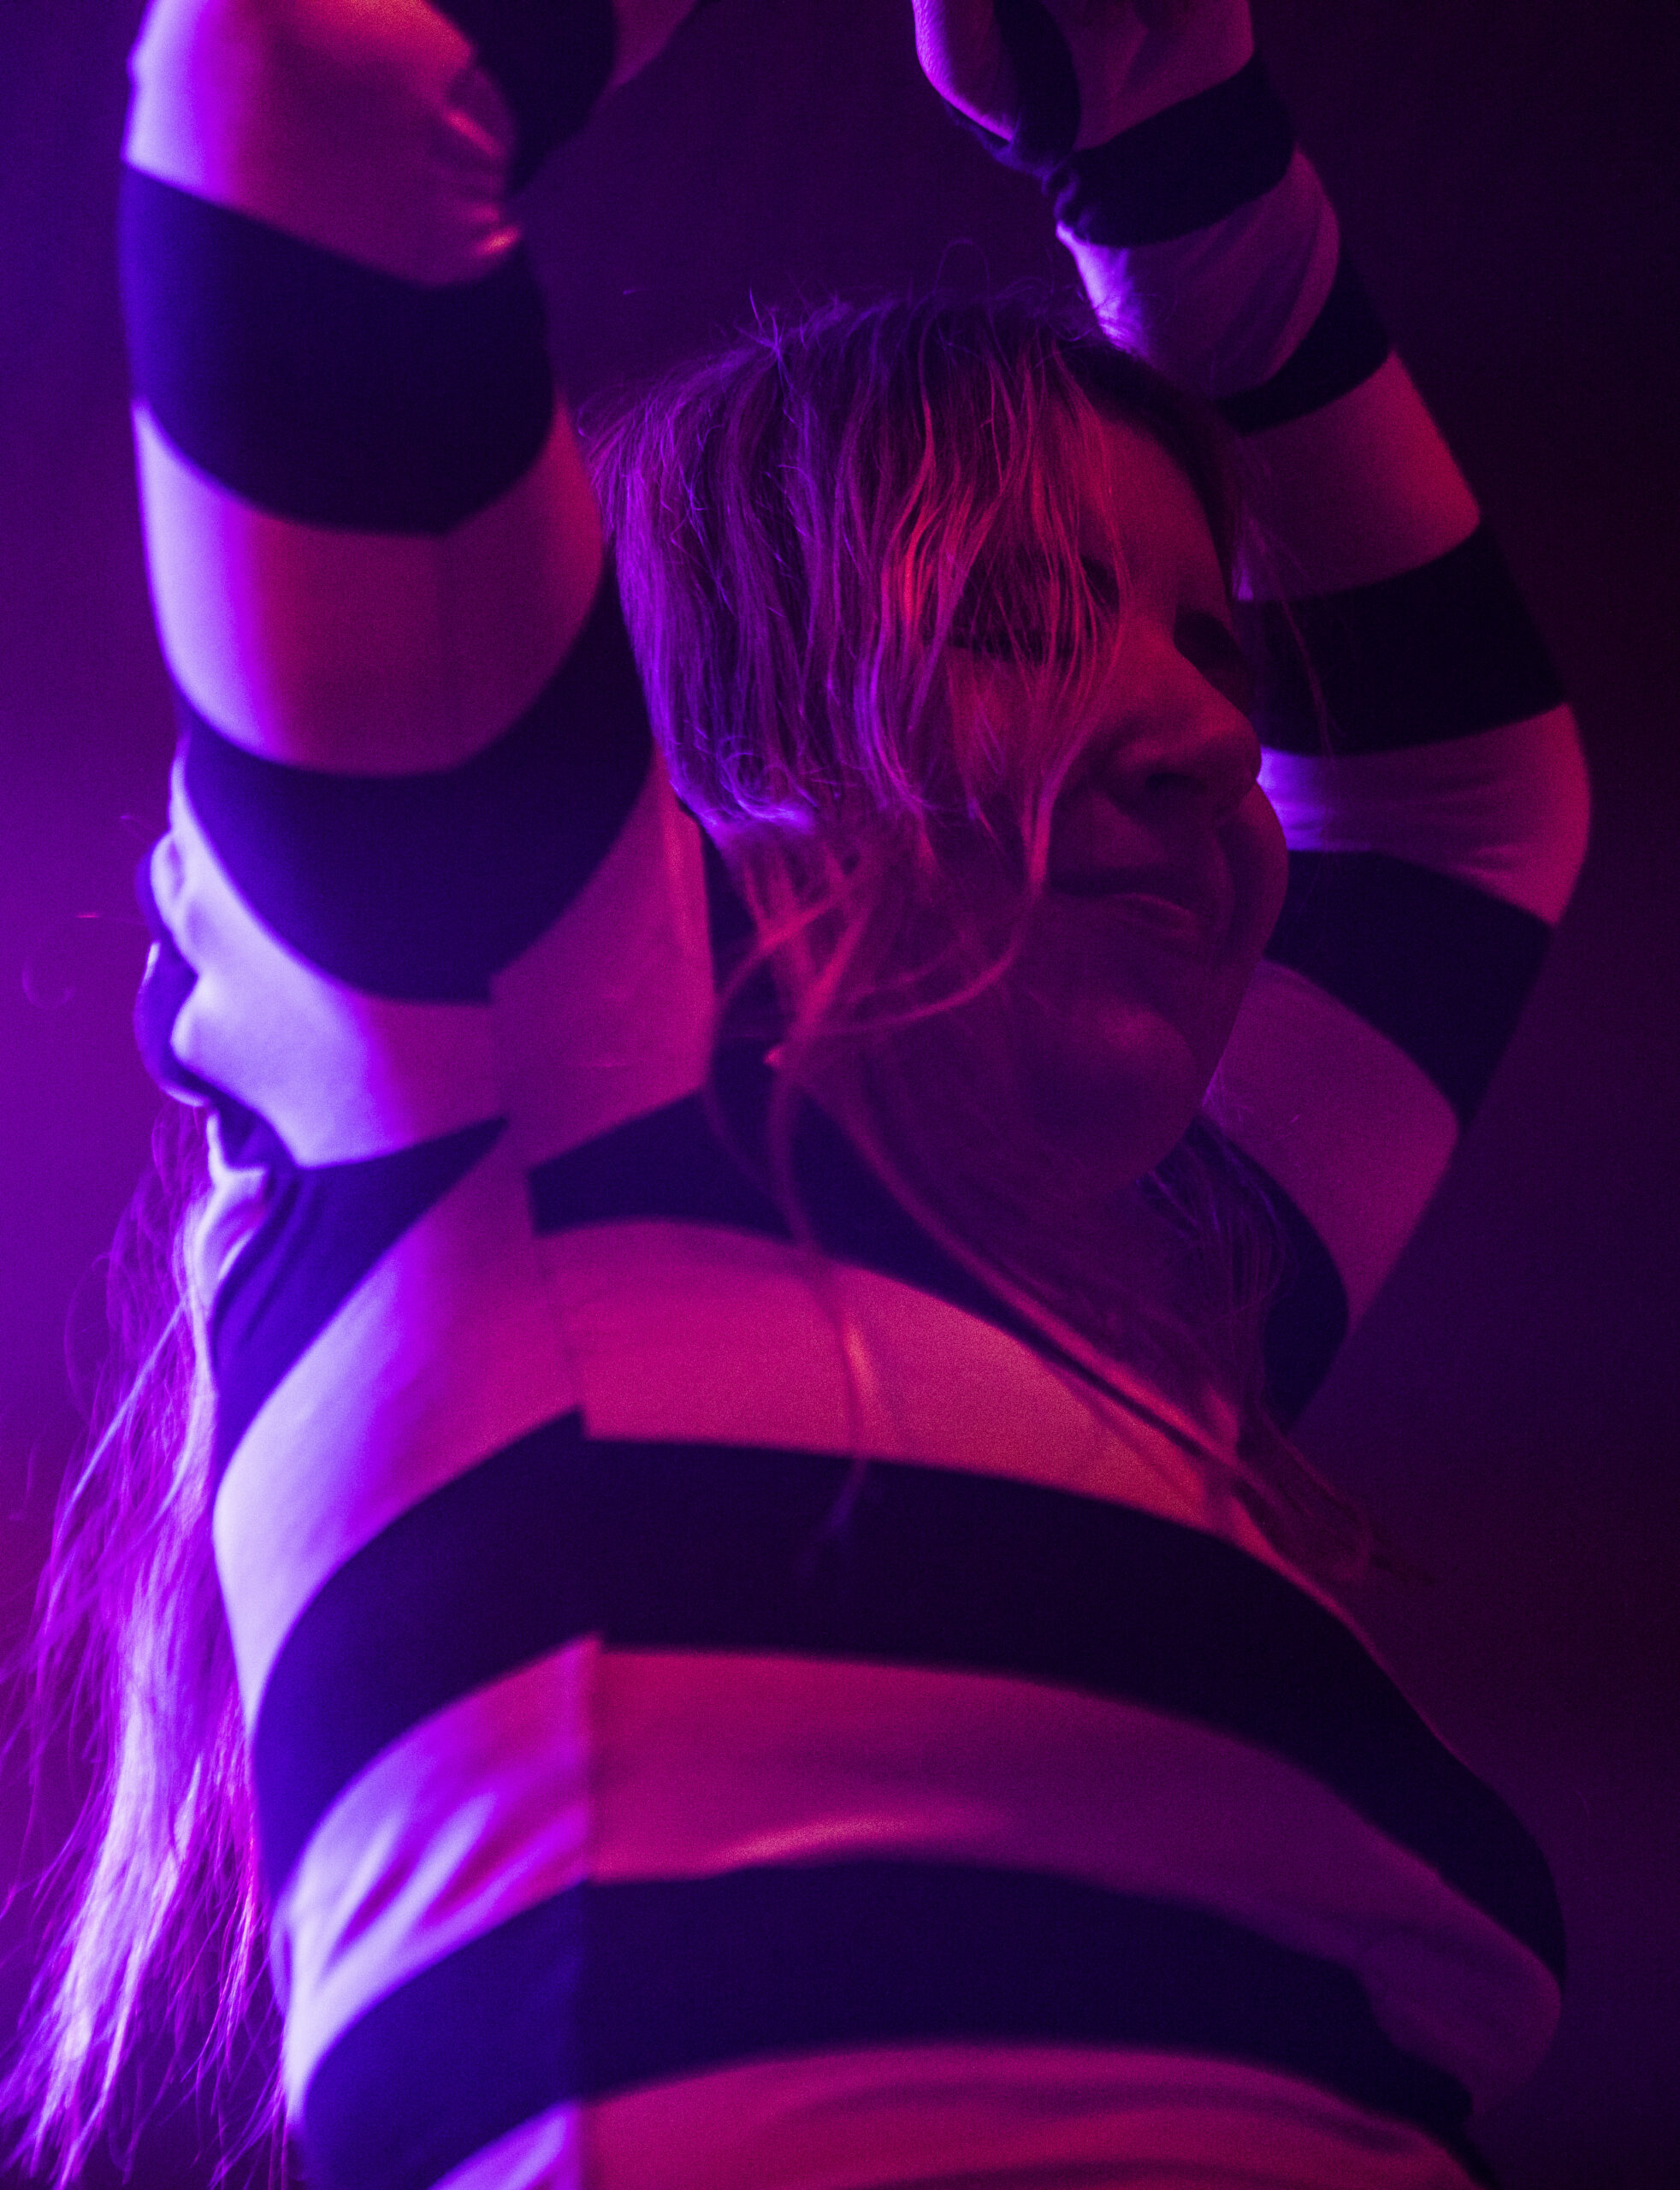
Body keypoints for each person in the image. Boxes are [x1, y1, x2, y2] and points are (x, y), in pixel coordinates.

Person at [4, 0, 1591, 2184]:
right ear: (728, 719)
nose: (1211, 742)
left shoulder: (1133, 1306)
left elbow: (1448, 796)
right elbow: (312, 76)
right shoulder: (521, 1047)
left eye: (1217, 657)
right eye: (1014, 621)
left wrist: (1161, 132)